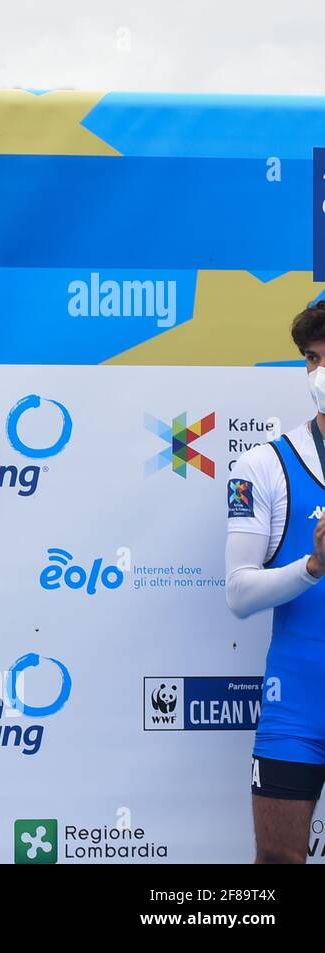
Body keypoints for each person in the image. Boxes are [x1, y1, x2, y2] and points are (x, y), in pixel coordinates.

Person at [226, 300, 325, 864]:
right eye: (312, 361)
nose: (320, 376)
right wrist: (312, 568)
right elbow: (239, 594)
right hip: (299, 702)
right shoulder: (263, 466)